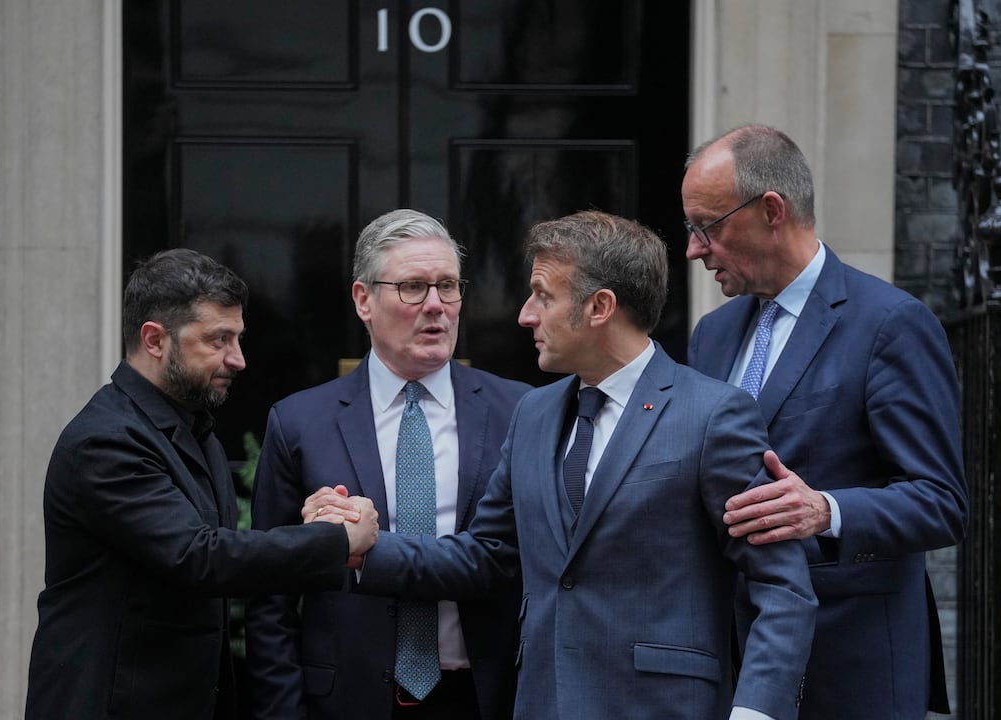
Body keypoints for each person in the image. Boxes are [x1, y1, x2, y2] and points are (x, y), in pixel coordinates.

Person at [336, 210, 817, 720]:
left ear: (599, 307)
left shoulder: (712, 415)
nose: (525, 315)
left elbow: (781, 587)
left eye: (543, 296)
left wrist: (756, 711)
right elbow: (487, 555)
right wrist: (364, 546)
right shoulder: (533, 413)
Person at [681, 124, 968, 718]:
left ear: (771, 211)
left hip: (849, 666)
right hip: (730, 667)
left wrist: (826, 510)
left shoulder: (889, 324)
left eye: (707, 227)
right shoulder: (712, 334)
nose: (694, 249)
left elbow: (941, 502)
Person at [25, 248, 379, 720]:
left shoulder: (194, 428)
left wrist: (313, 523)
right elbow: (199, 557)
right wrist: (334, 539)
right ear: (155, 340)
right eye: (219, 340)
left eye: (238, 338)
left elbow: (219, 552)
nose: (239, 359)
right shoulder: (105, 441)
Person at [245, 209, 531, 719]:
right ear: (364, 300)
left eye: (448, 286)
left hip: (487, 697)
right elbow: (271, 598)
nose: (436, 305)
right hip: (347, 701)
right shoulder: (299, 422)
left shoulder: (521, 412)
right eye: (413, 287)